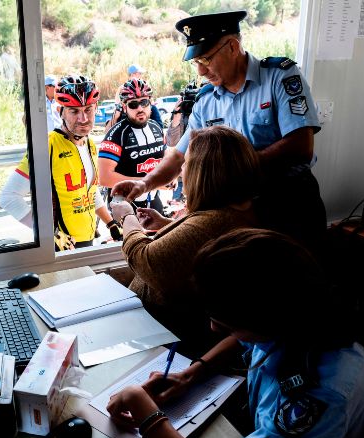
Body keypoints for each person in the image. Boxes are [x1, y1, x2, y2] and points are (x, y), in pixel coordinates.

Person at [106, 228, 364, 438]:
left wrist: (141, 405)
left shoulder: (320, 396)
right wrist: (192, 373)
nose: (213, 328)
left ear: (264, 318)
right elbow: (243, 340)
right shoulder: (298, 316)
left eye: (226, 323)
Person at [112, 11, 327, 258]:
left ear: (233, 47)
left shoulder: (279, 76)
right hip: (236, 211)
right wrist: (144, 184)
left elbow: (301, 145)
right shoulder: (206, 100)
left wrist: (233, 167)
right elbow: (180, 156)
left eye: (206, 59)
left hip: (290, 203)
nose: (201, 71)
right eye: (196, 63)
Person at [109, 125, 259, 355]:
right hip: (157, 335)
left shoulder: (215, 220)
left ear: (203, 172)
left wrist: (127, 217)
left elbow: (146, 260)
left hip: (171, 345)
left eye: (186, 164)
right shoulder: (229, 213)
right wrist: (166, 225)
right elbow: (201, 242)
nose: (182, 171)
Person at [0, 75, 120, 250]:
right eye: (74, 111)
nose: (83, 118)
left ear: (96, 108)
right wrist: (51, 233)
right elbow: (8, 197)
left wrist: (110, 223)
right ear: (59, 111)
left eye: (88, 110)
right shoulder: (47, 146)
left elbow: (89, 191)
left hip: (87, 239)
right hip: (61, 246)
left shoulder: (90, 144)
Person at [98, 79, 166, 214]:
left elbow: (164, 158)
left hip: (153, 200)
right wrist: (147, 182)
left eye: (144, 102)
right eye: (133, 104)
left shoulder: (156, 128)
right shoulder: (116, 133)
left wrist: (170, 177)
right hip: (125, 204)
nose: (140, 108)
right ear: (124, 107)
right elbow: (104, 178)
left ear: (151, 103)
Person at [105, 64, 163, 129]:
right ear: (133, 74)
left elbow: (151, 102)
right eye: (139, 73)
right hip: (127, 114)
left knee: (153, 109)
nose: (141, 75)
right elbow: (118, 106)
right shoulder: (122, 88)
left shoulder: (143, 85)